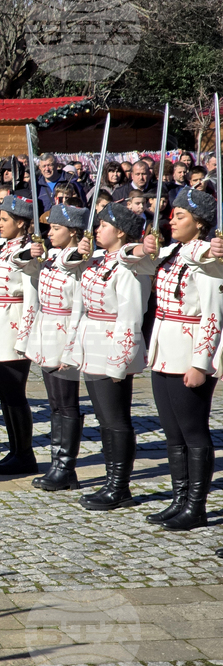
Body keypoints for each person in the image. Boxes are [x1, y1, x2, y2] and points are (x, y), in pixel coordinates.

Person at [123, 188, 221, 530]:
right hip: (164, 349)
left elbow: (213, 316)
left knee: (194, 432)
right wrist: (140, 247)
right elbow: (129, 259)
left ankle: (197, 506)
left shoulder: (207, 260)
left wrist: (201, 363)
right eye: (173, 214)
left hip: (189, 353)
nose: (171, 220)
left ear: (200, 224)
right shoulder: (173, 252)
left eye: (181, 217)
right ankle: (179, 499)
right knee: (172, 432)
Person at [65, 202, 148, 511]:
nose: (96, 229)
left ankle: (119, 485)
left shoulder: (128, 266)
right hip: (93, 341)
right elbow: (69, 271)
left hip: (113, 343)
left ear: (121, 232)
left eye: (102, 225)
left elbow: (130, 316)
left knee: (116, 419)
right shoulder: (97, 259)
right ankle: (111, 480)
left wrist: (120, 360)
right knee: (104, 418)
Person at [0, 195, 42, 474]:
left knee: (14, 393)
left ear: (21, 223)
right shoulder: (1, 245)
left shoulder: (28, 250)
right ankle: (15, 450)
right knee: (4, 393)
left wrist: (24, 337)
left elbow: (30, 291)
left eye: (4, 220)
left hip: (13, 324)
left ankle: (25, 454)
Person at [22, 204, 89, 491]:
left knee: (66, 402)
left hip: (66, 336)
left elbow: (79, 308)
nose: (49, 233)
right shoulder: (51, 256)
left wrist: (70, 350)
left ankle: (66, 468)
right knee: (55, 404)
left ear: (73, 232)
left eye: (56, 228)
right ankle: (56, 464)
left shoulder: (77, 261)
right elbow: (19, 263)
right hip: (48, 331)